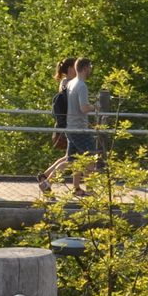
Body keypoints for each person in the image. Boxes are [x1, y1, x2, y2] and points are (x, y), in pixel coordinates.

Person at [39, 56, 77, 194]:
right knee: (73, 158)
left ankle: (46, 175)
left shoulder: (65, 82)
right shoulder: (68, 83)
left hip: (67, 124)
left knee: (70, 156)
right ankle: (47, 182)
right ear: (70, 68)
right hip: (70, 124)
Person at [63, 57, 96, 195]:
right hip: (80, 129)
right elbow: (83, 108)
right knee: (90, 158)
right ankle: (90, 190)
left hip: (70, 127)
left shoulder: (71, 83)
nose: (91, 70)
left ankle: (76, 189)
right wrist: (96, 106)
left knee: (74, 160)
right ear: (85, 68)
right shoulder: (82, 85)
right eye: (90, 67)